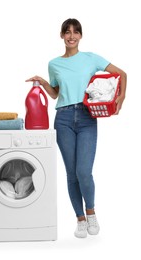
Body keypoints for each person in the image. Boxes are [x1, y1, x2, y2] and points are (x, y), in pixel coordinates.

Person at [26, 18, 127, 238]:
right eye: (67, 32)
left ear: (81, 35)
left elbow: (122, 74)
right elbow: (55, 93)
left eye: (75, 32)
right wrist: (44, 82)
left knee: (84, 171)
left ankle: (91, 212)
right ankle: (80, 219)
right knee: (71, 174)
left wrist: (121, 97)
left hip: (86, 117)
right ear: (61, 35)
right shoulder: (54, 63)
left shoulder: (91, 58)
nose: (71, 36)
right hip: (62, 118)